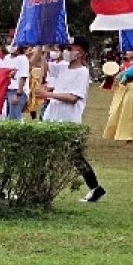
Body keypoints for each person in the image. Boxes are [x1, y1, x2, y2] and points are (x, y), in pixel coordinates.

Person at [35, 36, 106, 203]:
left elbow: (73, 97)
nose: (67, 51)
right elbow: (41, 64)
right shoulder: (62, 68)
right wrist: (43, 45)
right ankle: (39, 188)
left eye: (71, 48)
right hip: (53, 116)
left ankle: (95, 188)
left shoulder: (82, 72)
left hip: (68, 120)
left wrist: (48, 94)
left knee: (74, 156)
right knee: (45, 153)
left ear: (81, 52)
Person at [103, 48, 133, 142]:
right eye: (127, 50)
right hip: (122, 89)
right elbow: (118, 77)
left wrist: (132, 76)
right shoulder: (123, 64)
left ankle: (129, 138)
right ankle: (121, 133)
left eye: (131, 50)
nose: (128, 52)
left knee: (128, 111)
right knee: (117, 111)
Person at [3, 43, 30, 121]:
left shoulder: (23, 58)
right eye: (9, 43)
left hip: (17, 91)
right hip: (7, 91)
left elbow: (23, 77)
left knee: (14, 118)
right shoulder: (6, 58)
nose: (11, 46)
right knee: (6, 117)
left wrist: (18, 95)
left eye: (14, 44)